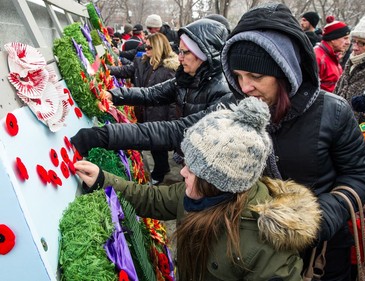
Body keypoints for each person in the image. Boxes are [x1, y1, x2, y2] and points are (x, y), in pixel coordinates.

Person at [73, 97, 322, 281]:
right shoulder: (198, 195)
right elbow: (151, 198)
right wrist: (101, 179)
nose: (182, 172)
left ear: (217, 180)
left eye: (192, 169)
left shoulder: (266, 244)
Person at [218, 3, 365, 280]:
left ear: (284, 71)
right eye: (238, 77)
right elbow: (178, 129)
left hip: (322, 255)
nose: (245, 87)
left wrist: (319, 218)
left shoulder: (333, 111)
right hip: (255, 252)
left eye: (256, 76)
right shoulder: (237, 106)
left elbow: (359, 174)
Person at [71, 18, 233, 184]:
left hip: (211, 174)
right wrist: (112, 95)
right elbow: (150, 93)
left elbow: (176, 131)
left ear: (204, 54)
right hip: (192, 162)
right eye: (180, 51)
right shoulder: (188, 77)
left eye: (186, 52)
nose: (180, 57)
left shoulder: (223, 93)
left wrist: (107, 135)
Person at [108, 32, 180, 185]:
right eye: (145, 46)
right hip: (143, 110)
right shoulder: (141, 62)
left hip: (160, 113)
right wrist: (106, 69)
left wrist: (173, 122)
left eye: (149, 47)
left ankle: (160, 172)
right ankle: (162, 168)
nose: (145, 49)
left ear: (159, 48)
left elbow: (174, 101)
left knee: (157, 144)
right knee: (152, 144)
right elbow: (125, 71)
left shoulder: (169, 70)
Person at [334, 11, 365, 123]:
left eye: (362, 43)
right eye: (354, 42)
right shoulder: (352, 62)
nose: (355, 48)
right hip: (342, 132)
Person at [314, 16, 351, 92]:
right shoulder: (318, 57)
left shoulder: (332, 56)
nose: (348, 42)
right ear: (333, 39)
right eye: (345, 38)